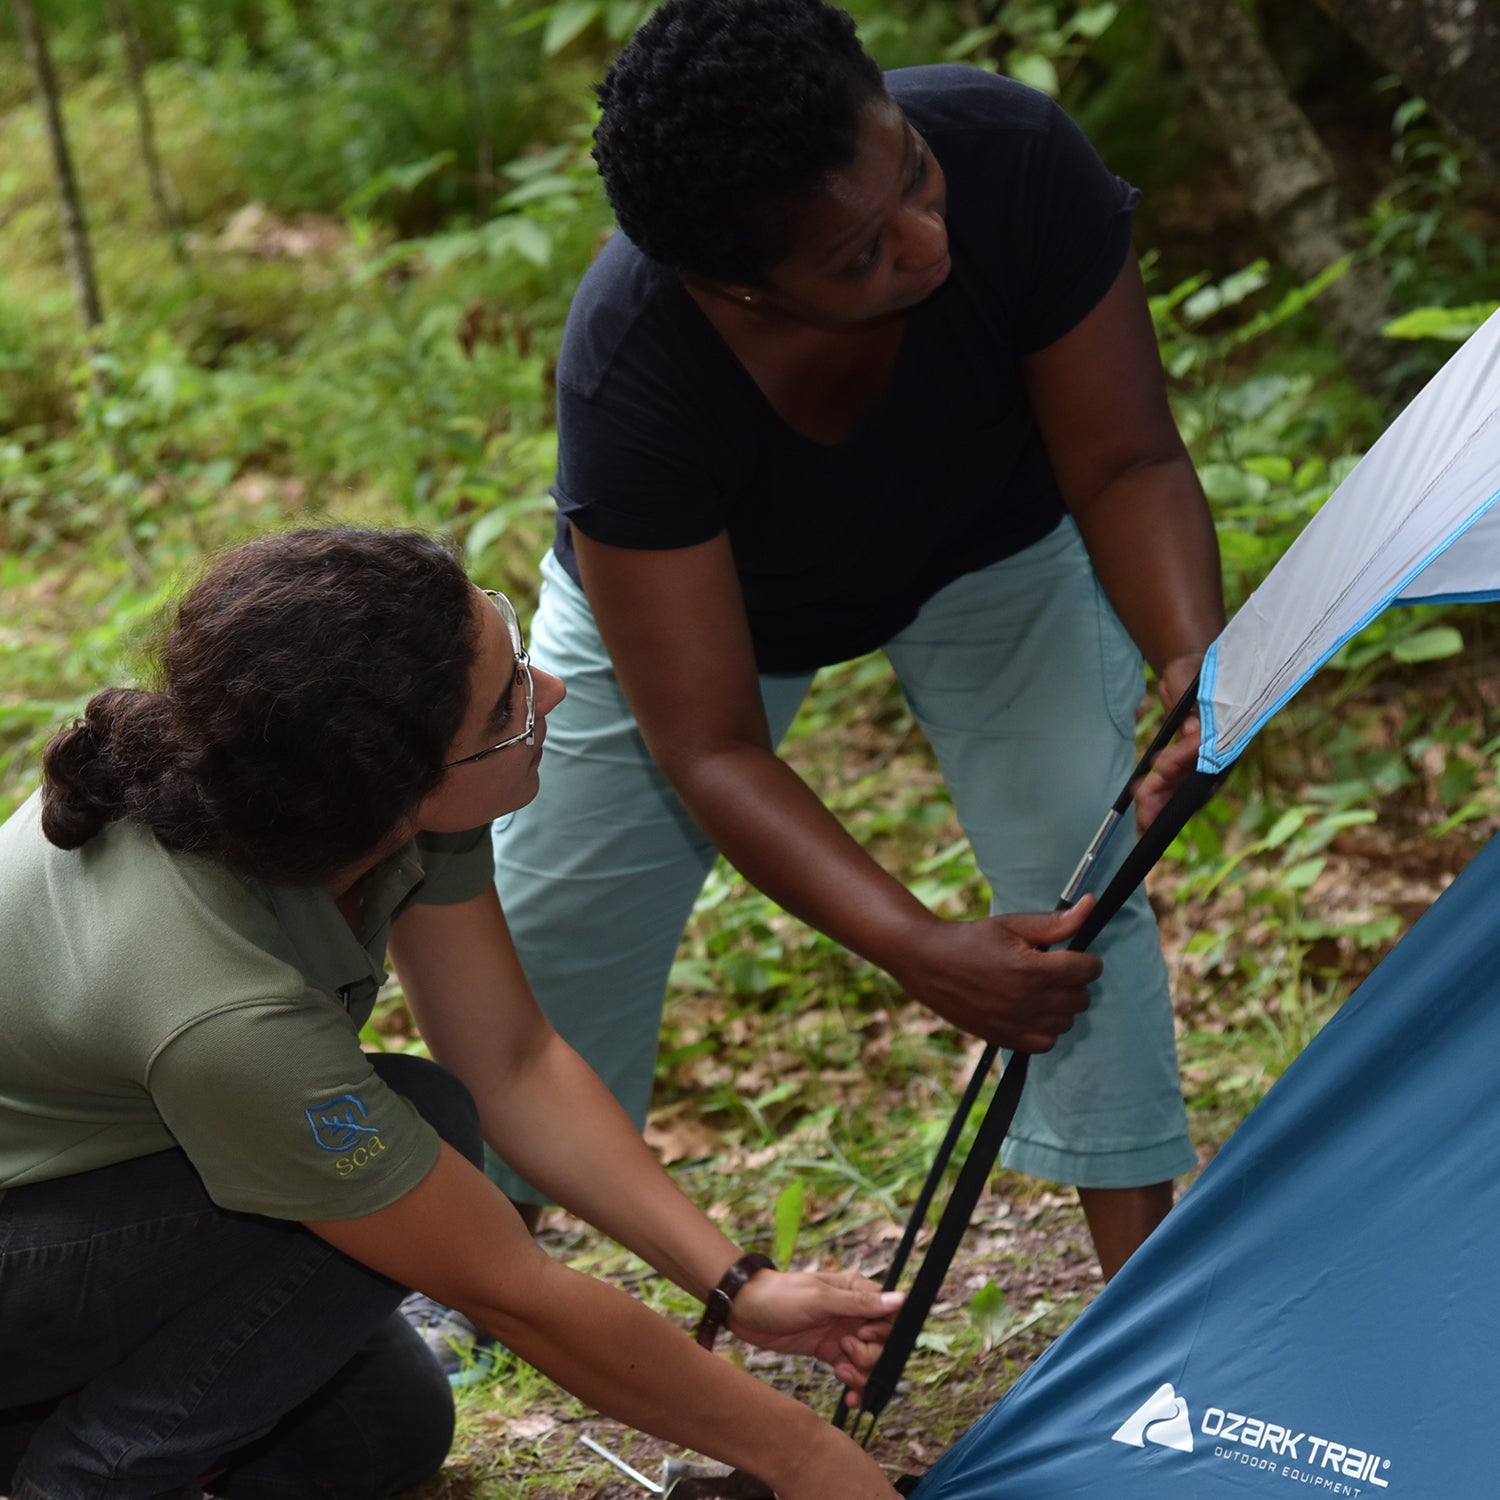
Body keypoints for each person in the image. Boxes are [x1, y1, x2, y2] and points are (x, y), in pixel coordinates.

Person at [483, 0, 1225, 1284]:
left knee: (1081, 864)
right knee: (557, 923)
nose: (928, 241)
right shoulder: (636, 376)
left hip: (990, 543)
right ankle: (493, 1262)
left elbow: (1128, 457)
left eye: (917, 179)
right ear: (737, 282)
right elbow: (710, 747)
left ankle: (1142, 1292)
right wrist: (918, 952)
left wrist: (1197, 668)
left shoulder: (1013, 153)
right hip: (703, 618)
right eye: (859, 254)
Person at [0, 527, 906, 1500]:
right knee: (417, 1124)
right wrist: (809, 1459)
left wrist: (736, 1285)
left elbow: (510, 1059)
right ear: (402, 783)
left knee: (381, 1437)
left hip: (93, 1205)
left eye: (514, 653)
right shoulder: (222, 1012)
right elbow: (512, 1291)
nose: (549, 692)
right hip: (26, 1242)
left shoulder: (335, 794)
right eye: (510, 702)